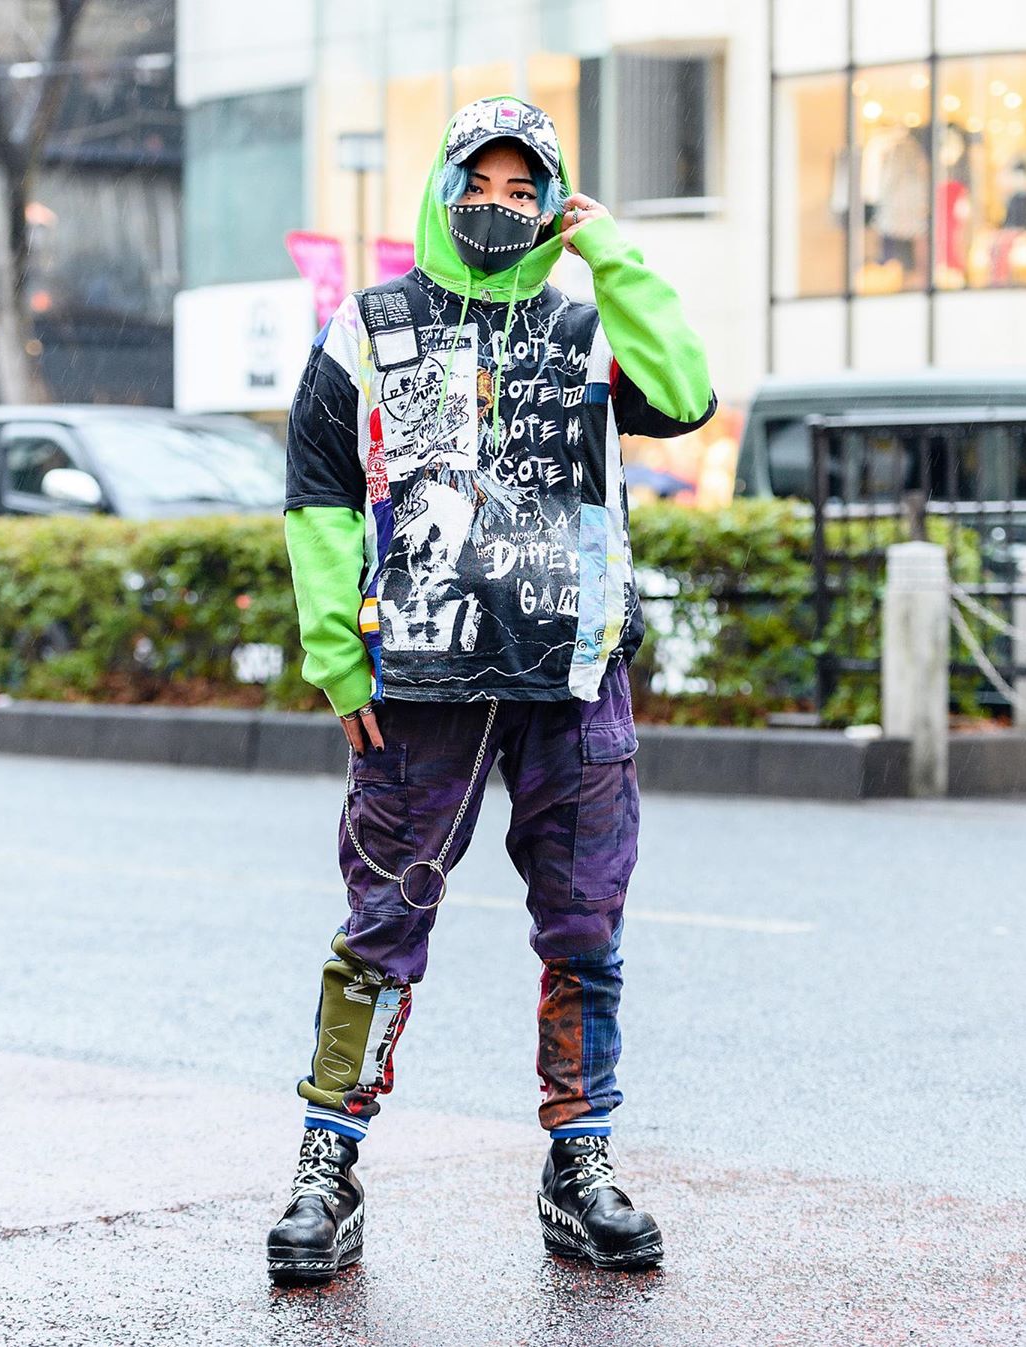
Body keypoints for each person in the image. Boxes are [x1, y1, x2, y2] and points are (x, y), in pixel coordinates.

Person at [268, 95, 714, 1285]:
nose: (501, 206)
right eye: (485, 182)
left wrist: (608, 248)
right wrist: (333, 652)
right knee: (380, 925)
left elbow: (684, 393)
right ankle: (327, 1165)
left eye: (528, 190)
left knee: (586, 928)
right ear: (445, 185)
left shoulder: (585, 323)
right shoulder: (373, 325)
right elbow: (316, 486)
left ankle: (583, 1164)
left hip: (574, 678)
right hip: (419, 683)